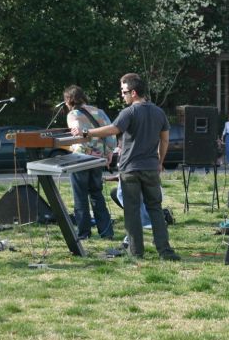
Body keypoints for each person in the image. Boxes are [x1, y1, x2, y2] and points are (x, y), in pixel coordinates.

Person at [71, 73, 180, 261]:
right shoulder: (159, 112)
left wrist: (86, 132)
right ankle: (165, 251)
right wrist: (160, 162)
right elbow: (164, 140)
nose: (122, 96)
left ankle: (136, 252)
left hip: (130, 169)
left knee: (132, 211)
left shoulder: (129, 112)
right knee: (155, 209)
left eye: (124, 92)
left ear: (134, 92)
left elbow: (113, 130)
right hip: (151, 168)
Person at [64, 85, 116, 240]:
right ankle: (106, 232)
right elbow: (111, 133)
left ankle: (84, 233)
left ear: (68, 100)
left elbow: (78, 134)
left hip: (81, 159)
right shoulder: (99, 111)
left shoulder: (73, 114)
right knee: (97, 194)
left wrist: (85, 149)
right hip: (98, 159)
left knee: (80, 196)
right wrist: (109, 152)